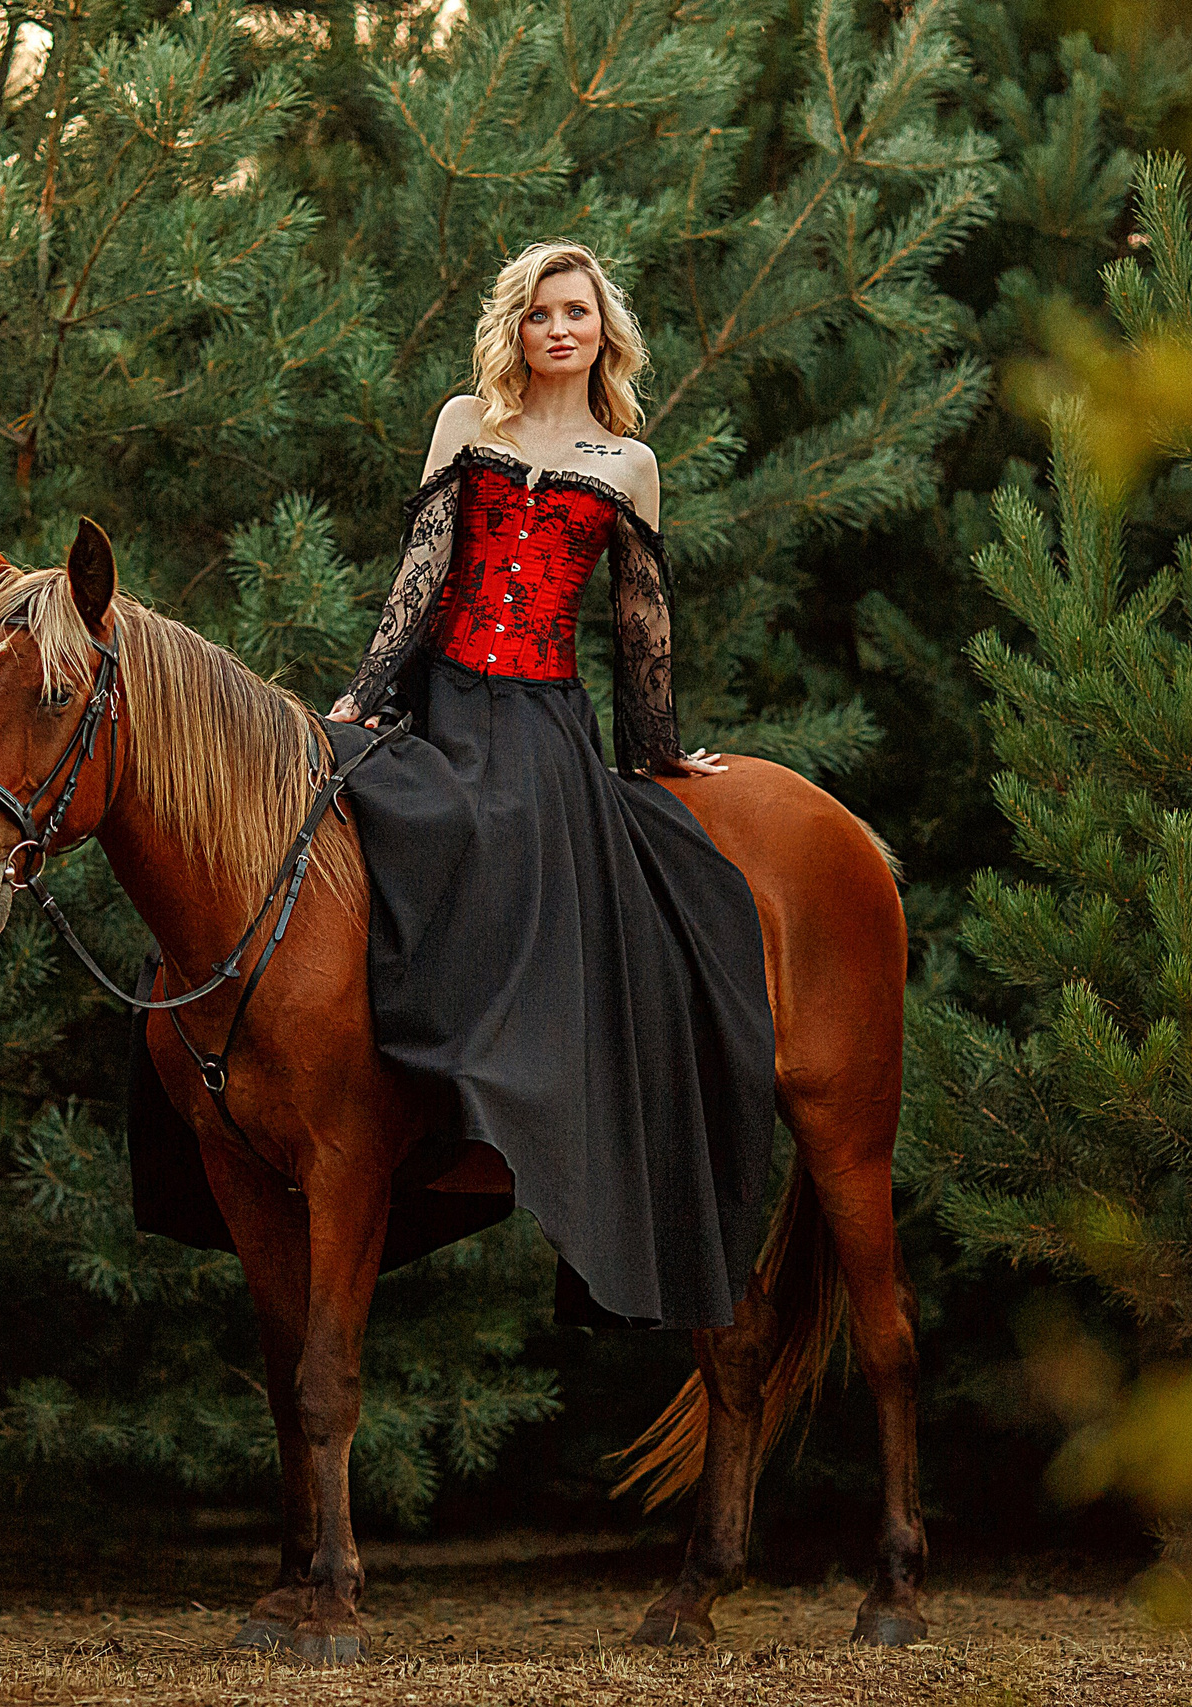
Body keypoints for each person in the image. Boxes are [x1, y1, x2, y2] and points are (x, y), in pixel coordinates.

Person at [321, 240, 778, 1331]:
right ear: (516, 329)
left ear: (602, 331)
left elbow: (639, 625)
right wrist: (362, 694)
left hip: (540, 722)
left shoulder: (628, 463)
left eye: (575, 311)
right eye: (538, 313)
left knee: (510, 821)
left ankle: (506, 1095)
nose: (557, 328)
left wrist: (658, 752)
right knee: (367, 800)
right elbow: (419, 576)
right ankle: (395, 1088)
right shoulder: (463, 423)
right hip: (444, 697)